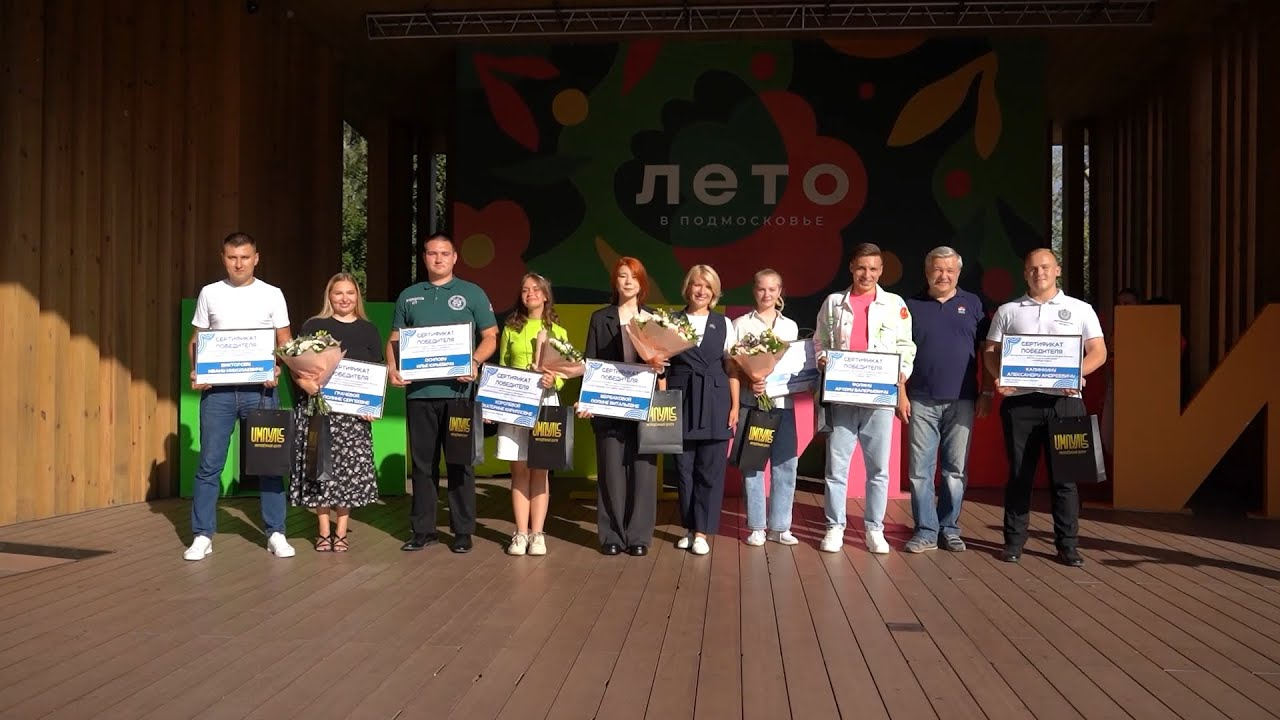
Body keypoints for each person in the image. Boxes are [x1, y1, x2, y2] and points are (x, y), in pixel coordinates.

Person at [983, 248, 1107, 568]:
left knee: (1066, 479)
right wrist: (999, 376)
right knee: (1019, 475)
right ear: (1025, 273)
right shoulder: (1008, 311)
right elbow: (991, 351)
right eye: (1033, 268)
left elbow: (1098, 352)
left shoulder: (1080, 309)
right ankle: (1013, 542)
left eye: (1045, 267)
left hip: (1066, 403)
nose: (1039, 273)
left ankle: (1068, 545)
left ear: (1058, 270)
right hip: (1020, 403)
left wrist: (1077, 373)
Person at [185, 232, 295, 561]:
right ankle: (202, 535)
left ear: (256, 259)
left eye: (245, 257)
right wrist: (196, 371)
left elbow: (285, 341)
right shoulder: (210, 293)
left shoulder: (272, 294)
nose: (238, 264)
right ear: (223, 258)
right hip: (217, 394)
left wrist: (278, 367)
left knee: (269, 464)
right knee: (209, 465)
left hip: (260, 392)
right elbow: (197, 340)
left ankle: (276, 532)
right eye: (232, 257)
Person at [388, 233, 498, 554]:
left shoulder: (472, 293)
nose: (438, 259)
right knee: (423, 465)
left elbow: (491, 335)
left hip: (459, 394)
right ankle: (423, 530)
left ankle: (462, 531)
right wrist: (393, 368)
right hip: (419, 394)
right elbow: (394, 339)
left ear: (454, 258)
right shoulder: (409, 296)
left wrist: (474, 361)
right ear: (424, 257)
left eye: (444, 253)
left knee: (460, 462)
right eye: (432, 253)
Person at [814, 243, 916, 554]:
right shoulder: (834, 303)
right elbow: (820, 340)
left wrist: (901, 375)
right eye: (861, 267)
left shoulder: (895, 304)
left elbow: (906, 346)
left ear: (881, 271)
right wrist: (822, 358)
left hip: (879, 399)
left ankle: (874, 528)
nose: (866, 274)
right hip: (842, 398)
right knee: (836, 468)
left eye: (873, 269)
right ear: (851, 267)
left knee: (878, 469)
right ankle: (835, 526)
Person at [903, 247, 990, 554]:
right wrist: (901, 393)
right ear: (927, 272)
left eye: (950, 270)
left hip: (962, 399)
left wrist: (987, 391)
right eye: (937, 269)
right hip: (920, 399)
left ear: (958, 272)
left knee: (955, 470)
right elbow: (899, 352)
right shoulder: (910, 305)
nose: (944, 275)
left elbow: (987, 351)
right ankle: (926, 531)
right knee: (920, 471)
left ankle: (949, 528)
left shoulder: (974, 304)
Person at [290, 273, 383, 552]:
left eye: (350, 293)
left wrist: (372, 406)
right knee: (319, 470)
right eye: (338, 293)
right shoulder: (314, 326)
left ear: (357, 297)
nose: (344, 298)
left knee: (348, 474)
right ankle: (322, 530)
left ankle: (341, 531)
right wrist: (305, 384)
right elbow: (297, 367)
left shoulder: (369, 330)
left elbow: (376, 372)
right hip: (319, 410)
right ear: (329, 297)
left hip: (354, 416)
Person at [581, 258, 661, 556]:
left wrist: (659, 365)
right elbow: (591, 361)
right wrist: (588, 400)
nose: (628, 282)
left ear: (642, 283)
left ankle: (639, 536)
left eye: (634, 277)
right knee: (611, 471)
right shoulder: (600, 318)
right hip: (609, 403)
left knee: (643, 471)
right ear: (615, 281)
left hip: (644, 404)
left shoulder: (654, 318)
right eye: (622, 276)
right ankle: (611, 535)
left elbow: (665, 363)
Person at [665, 265, 740, 556]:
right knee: (683, 469)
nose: (701, 291)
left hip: (716, 400)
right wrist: (662, 400)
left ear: (715, 292)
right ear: (687, 288)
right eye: (697, 284)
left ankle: (701, 532)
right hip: (681, 398)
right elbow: (662, 363)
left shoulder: (724, 324)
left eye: (708, 286)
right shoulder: (671, 321)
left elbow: (731, 366)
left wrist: (734, 405)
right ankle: (689, 527)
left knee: (710, 470)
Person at [495, 273, 566, 557]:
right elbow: (501, 367)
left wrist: (554, 380)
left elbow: (564, 372)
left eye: (536, 289)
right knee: (519, 471)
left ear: (546, 295)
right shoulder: (511, 328)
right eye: (525, 290)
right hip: (515, 403)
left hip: (545, 402)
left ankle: (538, 534)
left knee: (541, 470)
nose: (530, 294)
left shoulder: (558, 331)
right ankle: (520, 533)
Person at [732, 269, 800, 548]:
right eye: (762, 288)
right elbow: (732, 365)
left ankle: (781, 527)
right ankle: (757, 526)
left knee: (786, 465)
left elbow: (796, 367)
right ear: (754, 290)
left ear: (780, 291)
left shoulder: (791, 327)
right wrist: (751, 379)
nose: (767, 294)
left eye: (772, 289)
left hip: (783, 405)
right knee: (753, 465)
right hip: (753, 404)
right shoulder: (739, 324)